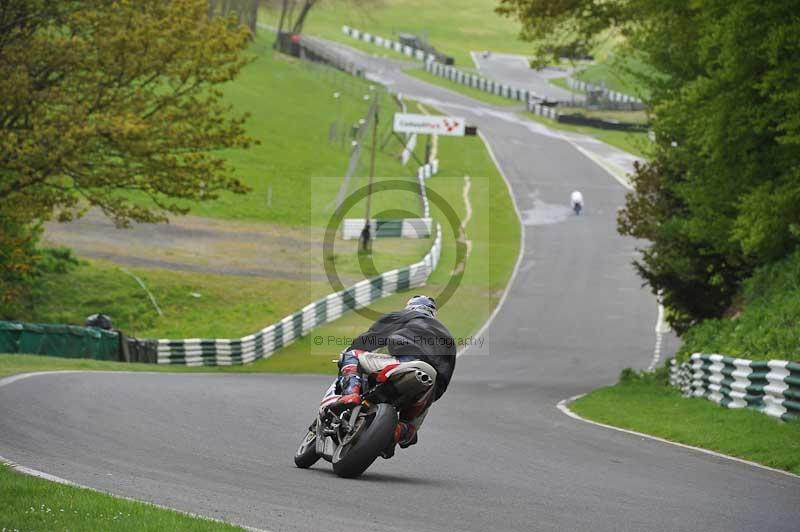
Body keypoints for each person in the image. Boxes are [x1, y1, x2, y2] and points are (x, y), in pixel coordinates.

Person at [319, 295, 456, 449]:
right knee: (411, 427)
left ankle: (352, 393)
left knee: (352, 355)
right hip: (430, 383)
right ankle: (397, 433)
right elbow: (445, 378)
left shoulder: (406, 315)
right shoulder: (448, 337)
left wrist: (354, 348)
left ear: (411, 307)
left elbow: (371, 338)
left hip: (404, 363)